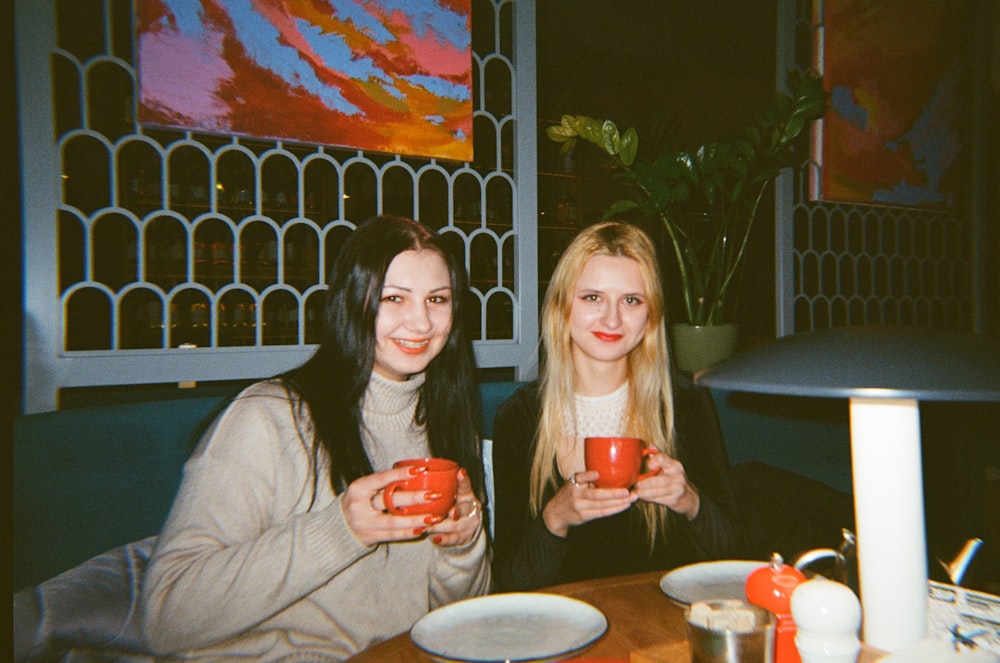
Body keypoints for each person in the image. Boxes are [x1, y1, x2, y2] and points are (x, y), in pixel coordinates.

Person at [141, 215, 490, 661]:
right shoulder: (269, 417)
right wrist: (340, 530)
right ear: (352, 300)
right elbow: (166, 617)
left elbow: (463, 622)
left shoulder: (445, 420)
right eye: (393, 297)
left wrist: (464, 545)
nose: (421, 322)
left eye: (437, 299)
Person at [491, 220, 745, 591]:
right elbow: (509, 586)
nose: (612, 318)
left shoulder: (685, 404)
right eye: (592, 297)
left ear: (650, 318)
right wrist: (554, 519)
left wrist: (691, 502)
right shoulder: (519, 418)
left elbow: (737, 557)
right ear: (562, 307)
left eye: (631, 300)